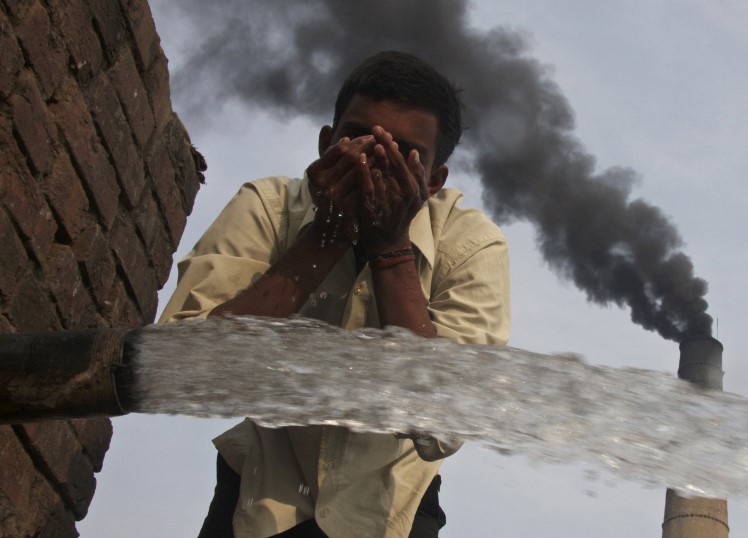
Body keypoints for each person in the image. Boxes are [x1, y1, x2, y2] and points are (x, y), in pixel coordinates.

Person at [160, 51, 510, 538]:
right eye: (359, 141)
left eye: (403, 154)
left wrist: (390, 249)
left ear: (433, 181)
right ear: (327, 142)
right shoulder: (269, 206)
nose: (374, 163)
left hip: (391, 510)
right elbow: (178, 369)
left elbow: (445, 423)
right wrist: (326, 236)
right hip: (257, 492)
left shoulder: (470, 244)